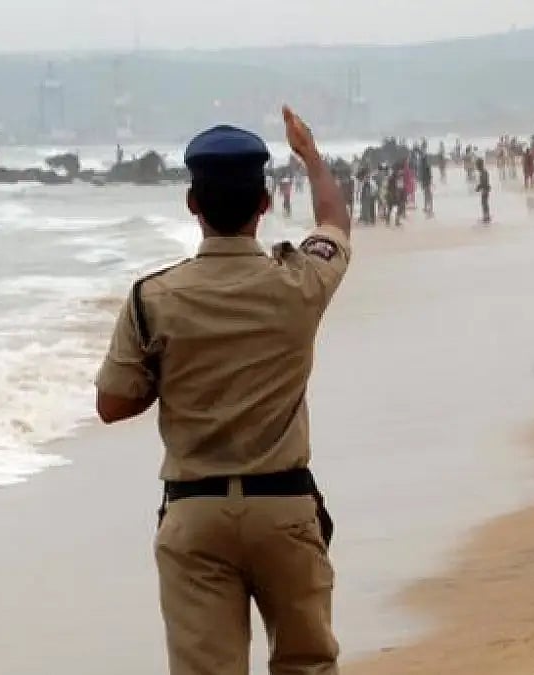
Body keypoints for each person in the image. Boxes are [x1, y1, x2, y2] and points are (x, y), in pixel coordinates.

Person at [94, 107, 349, 675]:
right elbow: (334, 225)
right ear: (264, 203)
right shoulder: (298, 281)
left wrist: (174, 374)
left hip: (196, 510)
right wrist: (310, 157)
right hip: (285, 506)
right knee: (308, 663)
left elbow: (112, 405)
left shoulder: (152, 297)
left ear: (192, 203)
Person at [475, 157, 491, 223]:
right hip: (485, 189)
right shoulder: (483, 172)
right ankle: (486, 216)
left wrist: (479, 187)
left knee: (484, 203)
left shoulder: (483, 172)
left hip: (485, 189)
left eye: (477, 165)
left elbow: (484, 182)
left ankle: (486, 217)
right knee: (484, 203)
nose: (476, 167)